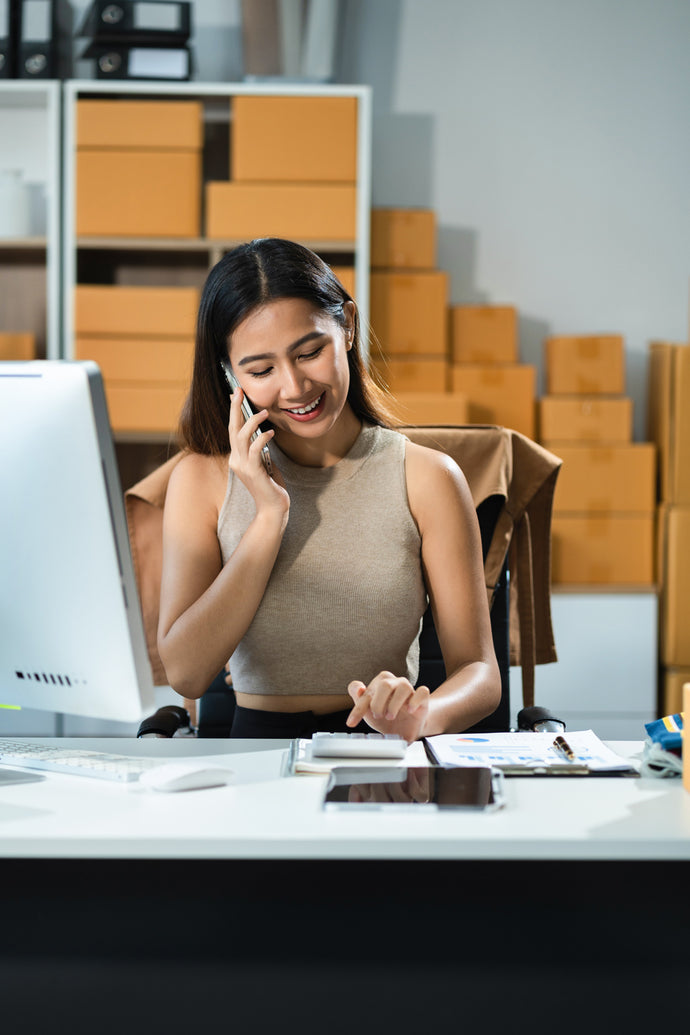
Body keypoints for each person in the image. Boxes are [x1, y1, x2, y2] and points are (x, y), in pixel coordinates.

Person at [158, 237, 501, 740]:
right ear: (232, 378)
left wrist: (420, 715)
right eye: (261, 370)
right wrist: (269, 518)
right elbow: (186, 673)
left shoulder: (428, 478)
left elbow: (480, 672)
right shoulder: (201, 479)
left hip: (382, 752)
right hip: (253, 759)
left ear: (348, 328)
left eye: (309, 352)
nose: (294, 387)